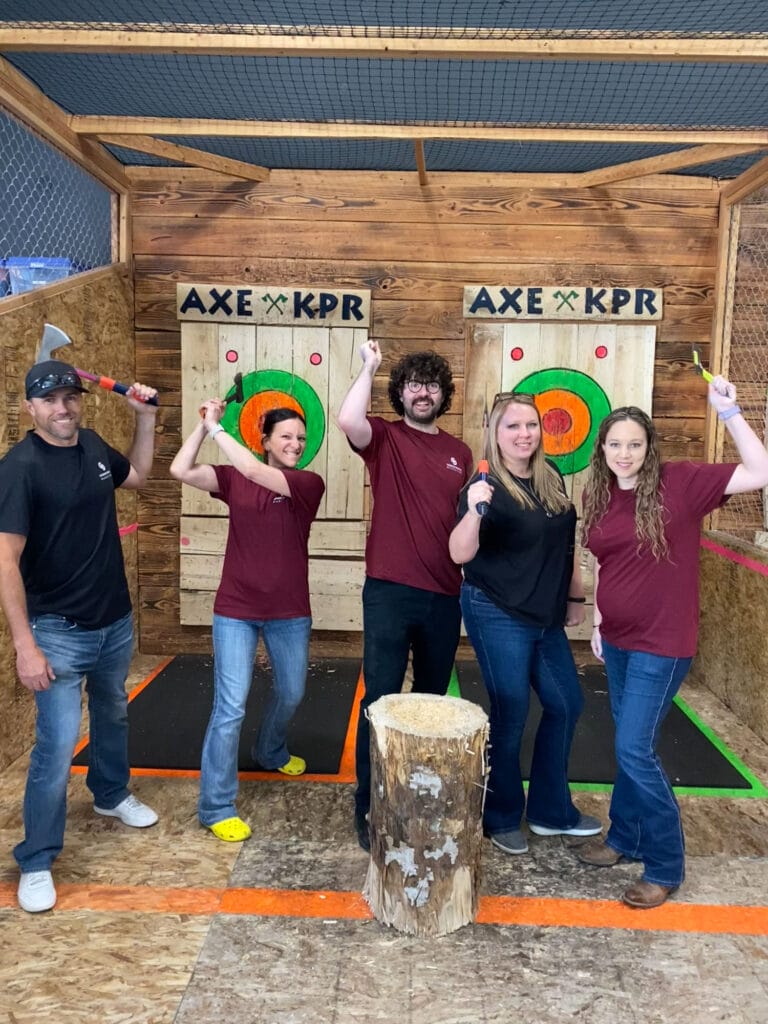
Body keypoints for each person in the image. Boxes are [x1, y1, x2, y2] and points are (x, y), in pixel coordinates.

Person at [576, 376, 768, 909]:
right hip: (615, 639)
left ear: (649, 446)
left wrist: (729, 412)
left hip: (663, 644)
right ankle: (624, 837)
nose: (624, 453)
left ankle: (664, 864)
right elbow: (602, 562)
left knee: (634, 748)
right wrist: (596, 620)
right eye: (615, 444)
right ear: (603, 448)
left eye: (634, 443)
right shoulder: (598, 492)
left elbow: (761, 470)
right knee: (629, 745)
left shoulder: (681, 484)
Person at [0, 358, 159, 914]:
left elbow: (137, 477)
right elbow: (6, 560)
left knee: (113, 712)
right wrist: (26, 646)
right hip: (58, 631)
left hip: (112, 621)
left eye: (69, 397)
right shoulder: (19, 468)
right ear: (30, 408)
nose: (62, 408)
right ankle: (37, 859)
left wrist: (144, 420)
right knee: (56, 743)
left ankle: (111, 794)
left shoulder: (92, 445)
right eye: (49, 400)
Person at [449, 392, 602, 855]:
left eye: (531, 425)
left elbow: (565, 543)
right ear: (496, 434)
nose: (523, 434)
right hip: (495, 609)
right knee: (511, 710)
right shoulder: (484, 484)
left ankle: (551, 812)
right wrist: (475, 509)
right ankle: (499, 816)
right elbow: (459, 554)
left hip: (544, 614)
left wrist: (575, 594)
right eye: (512, 426)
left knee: (566, 704)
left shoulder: (550, 476)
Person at [336, 340, 474, 850]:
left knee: (433, 704)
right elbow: (348, 419)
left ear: (443, 394)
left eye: (432, 385)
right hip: (390, 592)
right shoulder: (385, 438)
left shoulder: (459, 452)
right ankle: (369, 804)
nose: (423, 392)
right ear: (400, 392)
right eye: (414, 384)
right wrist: (368, 364)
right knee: (381, 700)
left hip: (444, 595)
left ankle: (418, 796)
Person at [170, 401, 324, 843]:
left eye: (300, 437)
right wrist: (203, 427)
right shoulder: (233, 477)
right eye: (286, 437)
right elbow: (182, 469)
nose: (295, 444)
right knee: (230, 706)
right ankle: (215, 806)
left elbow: (257, 474)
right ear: (265, 441)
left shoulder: (306, 483)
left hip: (289, 611)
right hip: (235, 610)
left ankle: (270, 749)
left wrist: (218, 429)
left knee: (292, 692)